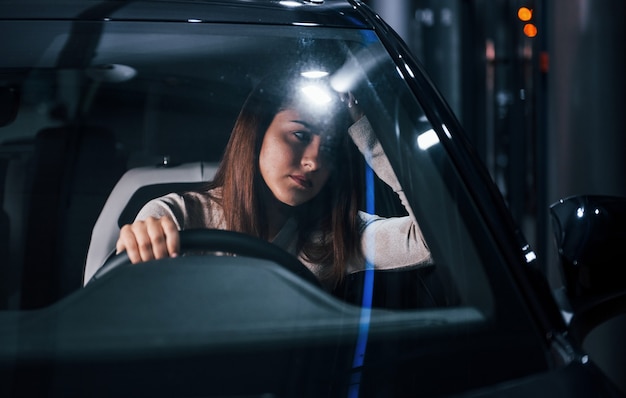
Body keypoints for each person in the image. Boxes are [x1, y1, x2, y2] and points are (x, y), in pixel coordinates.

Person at [115, 73, 431, 290]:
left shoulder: (337, 238)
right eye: (300, 135)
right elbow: (113, 316)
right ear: (257, 137)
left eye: (331, 149)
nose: (314, 161)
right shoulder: (177, 216)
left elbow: (430, 239)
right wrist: (142, 244)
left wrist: (363, 123)